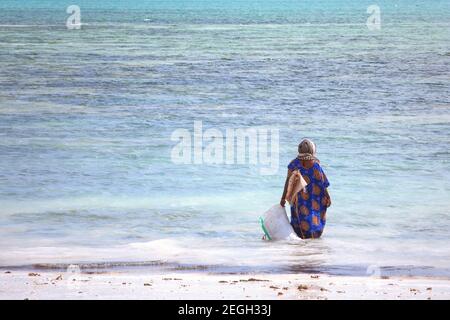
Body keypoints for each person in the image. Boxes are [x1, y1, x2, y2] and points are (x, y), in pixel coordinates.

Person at [280, 139, 331, 239]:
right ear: (312, 151)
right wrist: (328, 196)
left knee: (298, 219)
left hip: (298, 200)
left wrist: (283, 198)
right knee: (314, 217)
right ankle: (311, 241)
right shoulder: (316, 166)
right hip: (314, 199)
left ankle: (301, 241)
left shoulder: (293, 164)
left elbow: (287, 182)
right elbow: (323, 183)